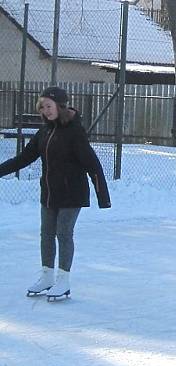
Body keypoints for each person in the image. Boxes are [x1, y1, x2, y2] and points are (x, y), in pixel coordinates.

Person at [0, 86, 111, 301]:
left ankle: (63, 280)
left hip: (72, 194)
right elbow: (24, 158)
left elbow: (93, 164)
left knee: (63, 234)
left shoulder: (75, 133)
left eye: (49, 106)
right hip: (49, 193)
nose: (45, 110)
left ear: (61, 106)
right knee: (46, 235)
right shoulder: (45, 132)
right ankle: (47, 276)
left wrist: (103, 196)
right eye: (42, 107)